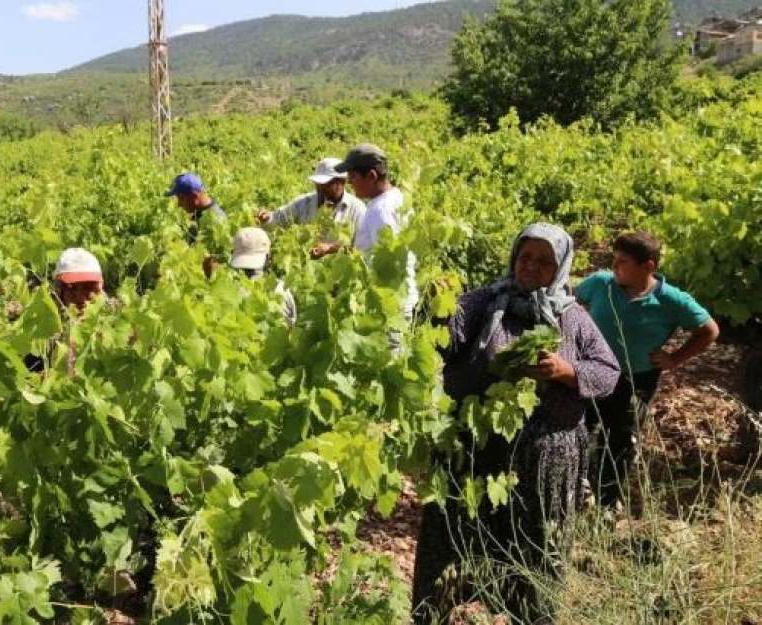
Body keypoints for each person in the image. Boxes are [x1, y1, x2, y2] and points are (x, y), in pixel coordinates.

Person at [411, 224, 620, 624]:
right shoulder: (483, 303)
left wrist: (564, 369)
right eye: (526, 257)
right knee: (452, 544)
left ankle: (529, 617)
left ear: (560, 268)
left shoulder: (572, 317)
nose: (532, 267)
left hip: (543, 460)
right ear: (513, 257)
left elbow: (607, 372)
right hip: (473, 452)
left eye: (545, 261)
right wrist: (434, 303)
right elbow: (442, 338)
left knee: (534, 551)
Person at [577, 231, 719, 509]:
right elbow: (571, 306)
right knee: (576, 428)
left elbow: (709, 331)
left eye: (623, 262)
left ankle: (608, 503)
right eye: (613, 259)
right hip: (588, 371)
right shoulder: (599, 284)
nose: (614, 266)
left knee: (619, 439)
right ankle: (575, 490)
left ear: (648, 267)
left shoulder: (671, 300)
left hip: (635, 379)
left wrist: (675, 358)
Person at [331, 143, 419, 318]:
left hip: (389, 307)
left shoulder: (382, 211)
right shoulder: (396, 197)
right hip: (392, 302)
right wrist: (333, 249)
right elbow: (371, 251)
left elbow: (390, 265)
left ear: (371, 176)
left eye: (353, 176)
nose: (349, 182)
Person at [256, 157, 366, 257]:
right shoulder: (304, 203)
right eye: (317, 184)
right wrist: (267, 218)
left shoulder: (357, 209)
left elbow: (362, 249)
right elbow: (279, 219)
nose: (321, 189)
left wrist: (331, 249)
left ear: (342, 182)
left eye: (327, 184)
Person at [25, 248, 107, 374]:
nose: (80, 297)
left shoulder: (116, 328)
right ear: (58, 291)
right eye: (71, 288)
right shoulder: (43, 338)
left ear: (101, 288)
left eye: (88, 286)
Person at [225, 227, 297, 327]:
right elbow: (291, 327)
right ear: (268, 257)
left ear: (233, 254)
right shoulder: (282, 290)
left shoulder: (228, 289)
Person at [165, 172, 227, 245]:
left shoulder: (216, 220)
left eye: (181, 198)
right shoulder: (198, 214)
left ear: (194, 196)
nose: (179, 204)